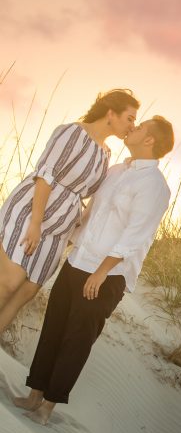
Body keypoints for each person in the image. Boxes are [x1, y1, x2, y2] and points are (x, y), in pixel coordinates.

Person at [13, 116, 174, 425]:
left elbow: (136, 234)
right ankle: (34, 394)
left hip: (106, 275)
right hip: (77, 262)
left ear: (150, 140)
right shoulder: (115, 172)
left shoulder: (154, 186)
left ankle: (48, 406)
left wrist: (101, 272)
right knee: (53, 328)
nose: (133, 128)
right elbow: (89, 214)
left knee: (76, 339)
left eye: (139, 127)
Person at [0, 89, 140, 334]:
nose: (132, 125)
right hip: (33, 213)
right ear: (111, 113)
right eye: (130, 118)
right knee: (8, 284)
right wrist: (35, 223)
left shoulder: (105, 153)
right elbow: (45, 175)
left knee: (26, 291)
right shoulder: (73, 132)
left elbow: (89, 195)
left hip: (58, 231)